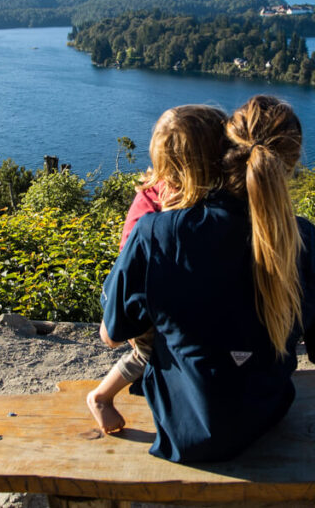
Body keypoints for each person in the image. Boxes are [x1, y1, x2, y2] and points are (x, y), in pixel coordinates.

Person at [98, 95, 315, 498]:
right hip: (265, 415)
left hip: (183, 431)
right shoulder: (303, 241)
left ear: (225, 148)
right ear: (291, 165)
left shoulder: (157, 232)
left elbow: (112, 333)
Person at [87, 104, 228, 434]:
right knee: (147, 354)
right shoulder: (153, 204)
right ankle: (101, 397)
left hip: (173, 292)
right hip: (149, 300)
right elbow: (132, 264)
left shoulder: (190, 197)